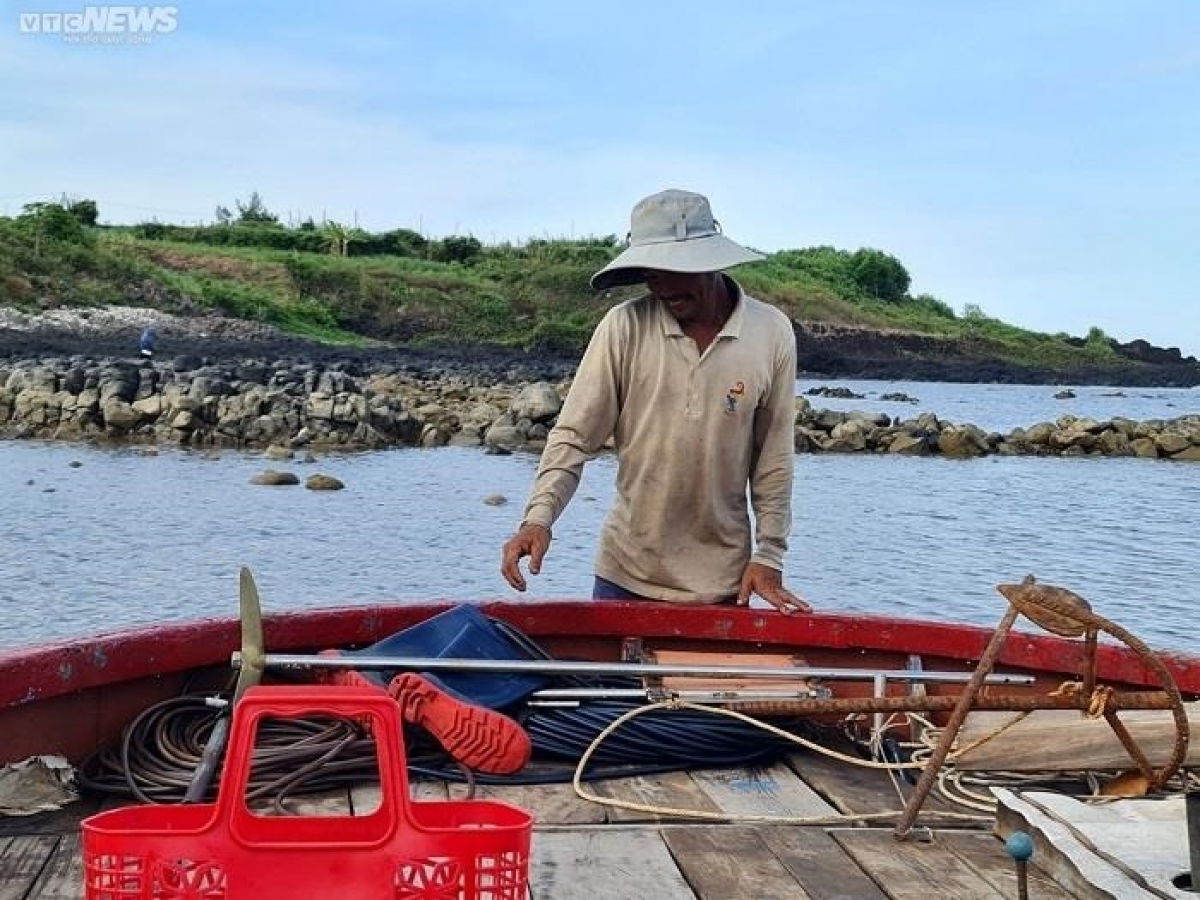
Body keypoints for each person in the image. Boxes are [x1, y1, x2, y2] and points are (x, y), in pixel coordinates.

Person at [500, 189, 809, 614]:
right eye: (651, 272)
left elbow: (773, 457)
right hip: (625, 574)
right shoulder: (623, 327)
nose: (661, 285)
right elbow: (573, 437)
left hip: (722, 583)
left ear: (710, 261)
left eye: (673, 270)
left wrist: (769, 554)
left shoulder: (771, 333)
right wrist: (538, 518)